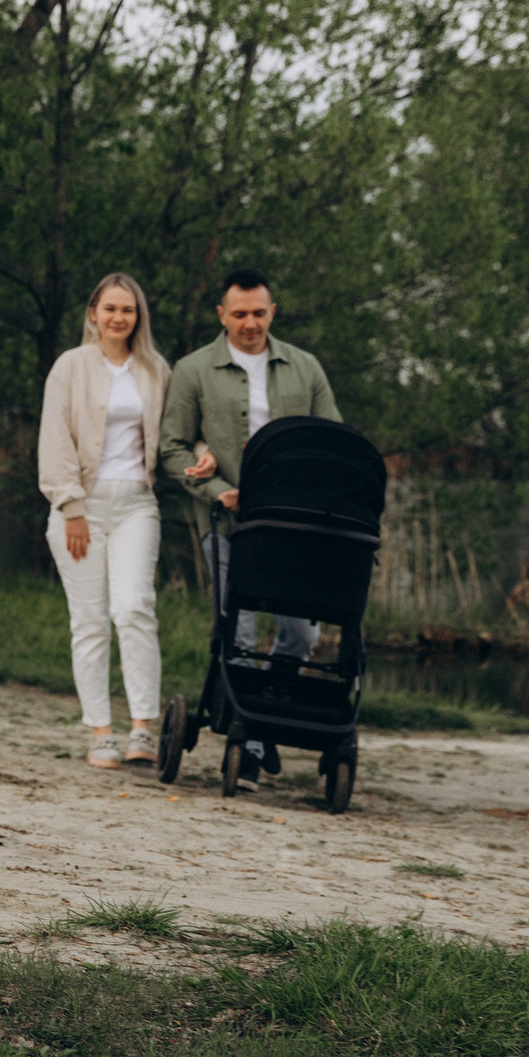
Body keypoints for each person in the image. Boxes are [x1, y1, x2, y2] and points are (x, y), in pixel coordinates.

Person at [157, 266, 340, 784]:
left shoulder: (306, 369)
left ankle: (262, 716)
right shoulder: (193, 371)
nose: (250, 323)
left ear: (272, 312)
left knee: (301, 635)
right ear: (222, 315)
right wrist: (218, 490)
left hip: (293, 530)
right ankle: (252, 737)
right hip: (228, 522)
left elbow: (332, 446)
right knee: (234, 632)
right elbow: (172, 449)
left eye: (259, 312)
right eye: (239, 314)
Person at [35, 273, 171, 770]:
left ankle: (142, 728)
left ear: (139, 317)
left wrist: (202, 456)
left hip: (137, 503)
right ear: (93, 313)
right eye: (110, 308)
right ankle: (100, 733)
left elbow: (175, 434)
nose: (119, 318)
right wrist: (70, 507)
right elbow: (55, 439)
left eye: (128, 310)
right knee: (89, 622)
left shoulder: (156, 370)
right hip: (81, 506)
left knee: (135, 607)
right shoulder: (71, 367)